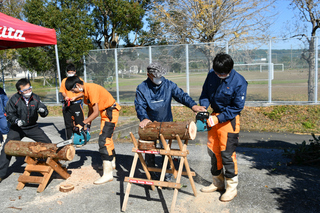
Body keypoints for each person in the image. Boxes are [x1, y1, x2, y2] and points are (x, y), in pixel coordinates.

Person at [134, 62, 206, 180]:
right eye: (156, 76)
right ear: (149, 75)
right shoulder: (142, 88)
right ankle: (150, 173)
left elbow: (181, 95)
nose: (159, 79)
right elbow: (139, 105)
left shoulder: (168, 85)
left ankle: (167, 174)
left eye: (161, 76)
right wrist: (144, 118)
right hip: (150, 124)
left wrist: (193, 106)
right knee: (149, 150)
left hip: (166, 123)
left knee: (166, 150)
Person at [199, 53, 247, 202]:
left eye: (223, 74)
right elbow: (205, 93)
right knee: (213, 151)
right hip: (213, 116)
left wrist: (218, 118)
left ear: (230, 69)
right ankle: (217, 183)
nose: (220, 75)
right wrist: (204, 107)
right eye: (217, 72)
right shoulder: (211, 75)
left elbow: (237, 107)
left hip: (228, 120)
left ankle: (231, 188)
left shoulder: (239, 82)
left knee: (227, 154)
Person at [65, 76, 121, 185]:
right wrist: (87, 126)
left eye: (73, 90)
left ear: (77, 85)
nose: (74, 92)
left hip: (110, 111)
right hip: (105, 112)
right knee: (107, 138)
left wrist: (82, 123)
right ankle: (111, 163)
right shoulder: (86, 92)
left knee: (104, 140)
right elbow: (91, 110)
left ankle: (108, 174)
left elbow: (95, 112)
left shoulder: (91, 89)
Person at [0, 78, 52, 183]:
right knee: (7, 148)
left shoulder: (36, 98)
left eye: (30, 89)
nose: (28, 92)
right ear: (20, 91)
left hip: (32, 127)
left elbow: (44, 110)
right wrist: (16, 121)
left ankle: (43, 166)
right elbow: (9, 115)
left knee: (48, 145)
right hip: (17, 128)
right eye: (25, 90)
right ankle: (1, 174)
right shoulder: (14, 99)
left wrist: (43, 111)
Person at [60, 63, 84, 139]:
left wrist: (76, 97)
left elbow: (84, 92)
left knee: (79, 121)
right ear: (67, 72)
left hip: (77, 103)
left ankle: (79, 137)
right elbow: (62, 91)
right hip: (68, 103)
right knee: (68, 122)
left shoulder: (79, 80)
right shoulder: (64, 80)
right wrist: (66, 96)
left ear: (75, 72)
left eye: (72, 72)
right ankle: (69, 138)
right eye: (69, 72)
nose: (70, 74)